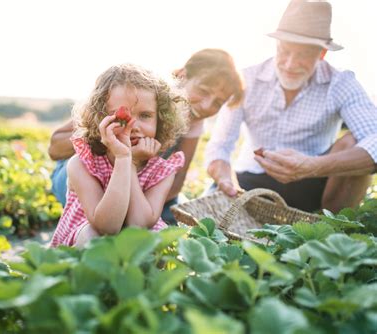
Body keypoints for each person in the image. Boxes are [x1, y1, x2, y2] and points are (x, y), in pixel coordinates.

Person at [205, 0, 377, 213]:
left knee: (354, 140)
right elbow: (220, 146)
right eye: (284, 51)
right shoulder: (246, 79)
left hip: (313, 183)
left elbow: (375, 137)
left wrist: (313, 166)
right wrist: (224, 180)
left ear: (322, 54)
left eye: (303, 55)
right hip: (249, 180)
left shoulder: (340, 83)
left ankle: (334, 227)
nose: (289, 64)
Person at [48, 49, 244, 224]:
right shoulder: (136, 92)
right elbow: (54, 148)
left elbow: (175, 185)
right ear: (183, 76)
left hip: (139, 185)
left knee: (179, 216)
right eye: (203, 91)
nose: (206, 106)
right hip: (90, 177)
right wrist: (109, 139)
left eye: (218, 103)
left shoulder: (194, 122)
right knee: (106, 210)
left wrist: (136, 189)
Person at [50, 64, 187, 247]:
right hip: (87, 239)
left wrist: (130, 163)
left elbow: (138, 225)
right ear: (100, 119)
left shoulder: (163, 171)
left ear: (160, 119)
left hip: (133, 239)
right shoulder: (82, 164)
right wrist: (123, 158)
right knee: (94, 237)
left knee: (157, 238)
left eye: (145, 115)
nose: (134, 126)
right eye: (121, 118)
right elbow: (106, 227)